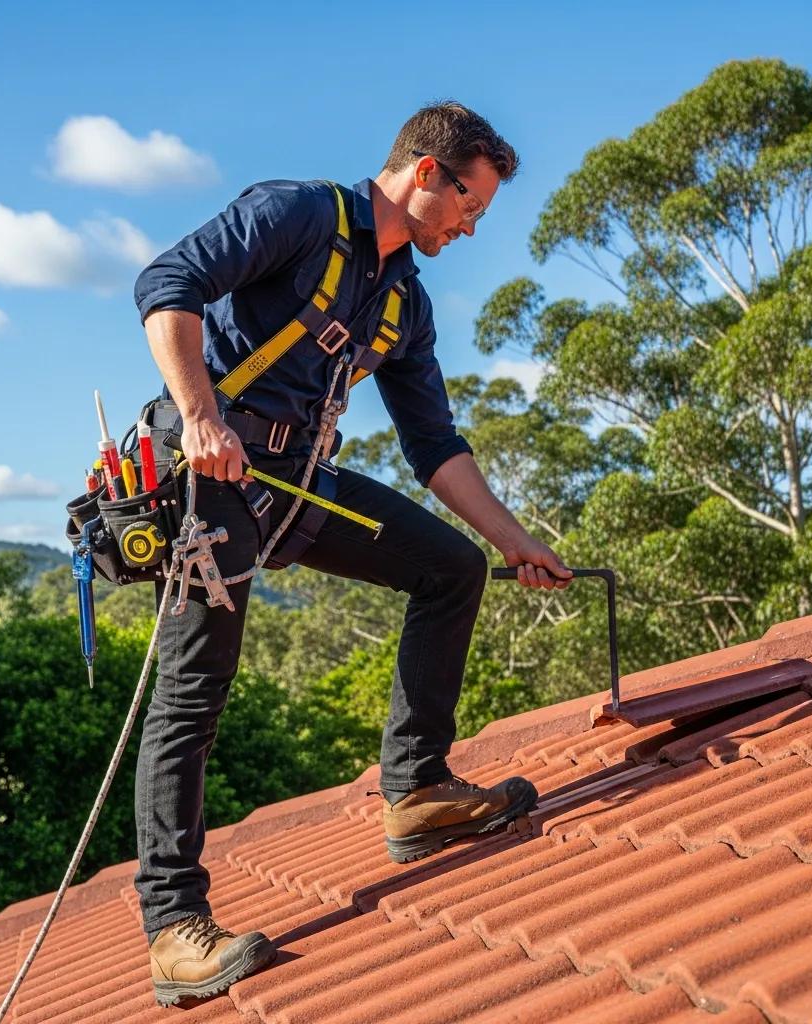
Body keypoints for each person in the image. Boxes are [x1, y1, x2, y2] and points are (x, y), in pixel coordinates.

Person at [131, 100, 573, 1006]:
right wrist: (204, 416)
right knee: (195, 688)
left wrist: (518, 541)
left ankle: (415, 792)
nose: (471, 225)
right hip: (210, 473)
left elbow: (435, 447)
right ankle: (173, 926)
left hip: (298, 486)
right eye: (470, 206)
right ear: (426, 174)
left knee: (451, 568)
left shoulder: (404, 299)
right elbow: (165, 284)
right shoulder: (297, 214)